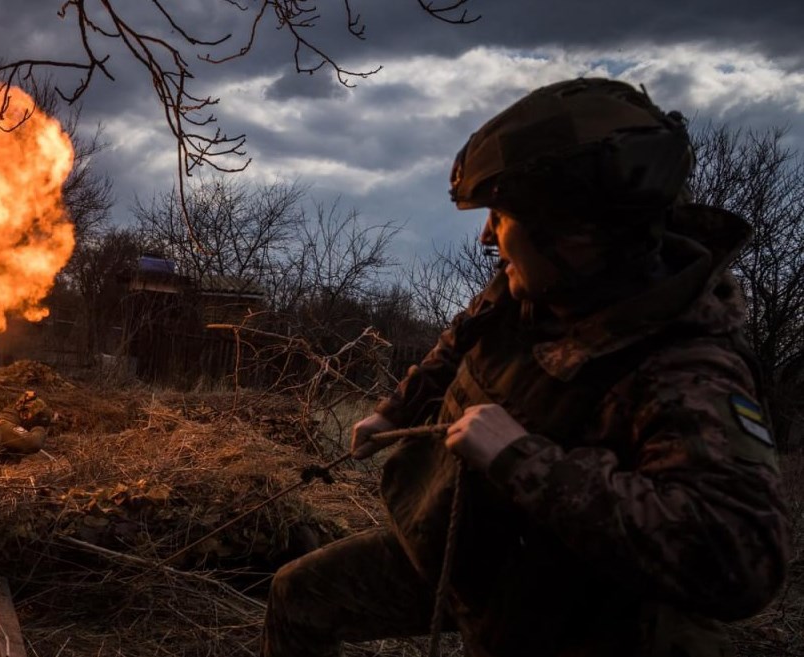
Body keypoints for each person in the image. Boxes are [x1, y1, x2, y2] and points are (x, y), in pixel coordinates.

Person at [262, 78, 791, 657]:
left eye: (502, 216)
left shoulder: (688, 369)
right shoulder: (534, 286)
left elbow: (741, 562)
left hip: (574, 614)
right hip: (466, 554)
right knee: (299, 594)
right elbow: (460, 340)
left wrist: (522, 459)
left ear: (576, 235)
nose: (489, 236)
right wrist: (397, 411)